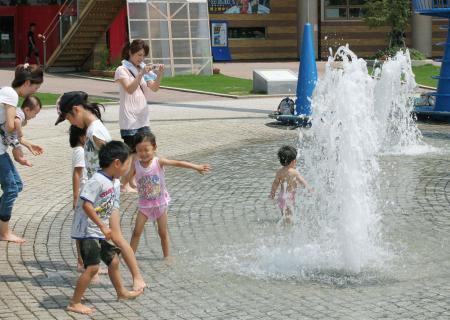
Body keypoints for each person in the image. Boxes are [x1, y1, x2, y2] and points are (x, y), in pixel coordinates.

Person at [55, 90, 147, 292]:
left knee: (117, 236)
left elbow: (119, 155)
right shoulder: (91, 130)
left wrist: (120, 179)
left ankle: (137, 277)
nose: (71, 123)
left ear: (76, 110)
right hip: (101, 191)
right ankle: (103, 271)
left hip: (106, 193)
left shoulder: (95, 131)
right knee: (112, 236)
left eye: (69, 118)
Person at [67, 141, 143, 315]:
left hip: (98, 231)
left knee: (114, 260)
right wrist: (103, 226)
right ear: (117, 163)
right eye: (127, 164)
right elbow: (86, 205)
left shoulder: (113, 181)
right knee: (92, 268)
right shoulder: (97, 180)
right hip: (88, 232)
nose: (129, 167)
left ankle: (121, 292)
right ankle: (74, 302)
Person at [129, 131, 210, 258]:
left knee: (163, 232)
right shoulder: (136, 165)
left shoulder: (158, 162)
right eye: (140, 150)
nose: (143, 154)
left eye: (147, 150)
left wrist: (196, 167)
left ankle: (167, 258)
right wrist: (131, 184)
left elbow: (178, 163)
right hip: (144, 206)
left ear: (154, 148)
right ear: (136, 150)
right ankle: (130, 256)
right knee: (136, 232)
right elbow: (128, 177)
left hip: (160, 204)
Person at [0, 64, 43, 243]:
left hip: (1, 148)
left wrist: (25, 143)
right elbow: (10, 125)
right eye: (35, 87)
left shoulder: (10, 94)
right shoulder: (10, 93)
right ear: (27, 83)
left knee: (16, 185)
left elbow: (5, 128)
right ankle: (4, 233)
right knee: (11, 188)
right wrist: (19, 144)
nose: (34, 91)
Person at [114, 39, 164, 192]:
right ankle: (124, 184)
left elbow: (154, 88)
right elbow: (130, 89)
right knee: (132, 154)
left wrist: (159, 74)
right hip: (129, 119)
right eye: (138, 55)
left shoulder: (143, 69)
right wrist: (141, 73)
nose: (141, 58)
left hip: (143, 118)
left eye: (143, 55)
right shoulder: (122, 69)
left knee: (145, 151)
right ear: (130, 52)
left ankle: (131, 181)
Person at [269, 145, 312, 223]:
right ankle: (288, 228)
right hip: (289, 197)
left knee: (284, 215)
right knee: (290, 216)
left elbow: (275, 184)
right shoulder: (294, 172)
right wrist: (309, 188)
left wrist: (272, 193)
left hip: (281, 197)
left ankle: (283, 224)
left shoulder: (279, 172)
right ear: (293, 161)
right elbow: (302, 181)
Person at [0, 95, 43, 167]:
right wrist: (20, 133)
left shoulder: (21, 113)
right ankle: (19, 158)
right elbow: (16, 121)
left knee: (17, 146)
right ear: (27, 110)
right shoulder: (21, 114)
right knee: (17, 147)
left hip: (8, 134)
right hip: (7, 133)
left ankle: (19, 158)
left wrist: (28, 145)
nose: (35, 116)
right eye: (35, 113)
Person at [69, 125, 88, 272]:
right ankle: (81, 261)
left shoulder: (79, 150)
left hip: (84, 194)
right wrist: (76, 197)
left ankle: (82, 261)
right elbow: (77, 174)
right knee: (81, 228)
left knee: (81, 228)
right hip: (83, 195)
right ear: (82, 137)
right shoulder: (80, 151)